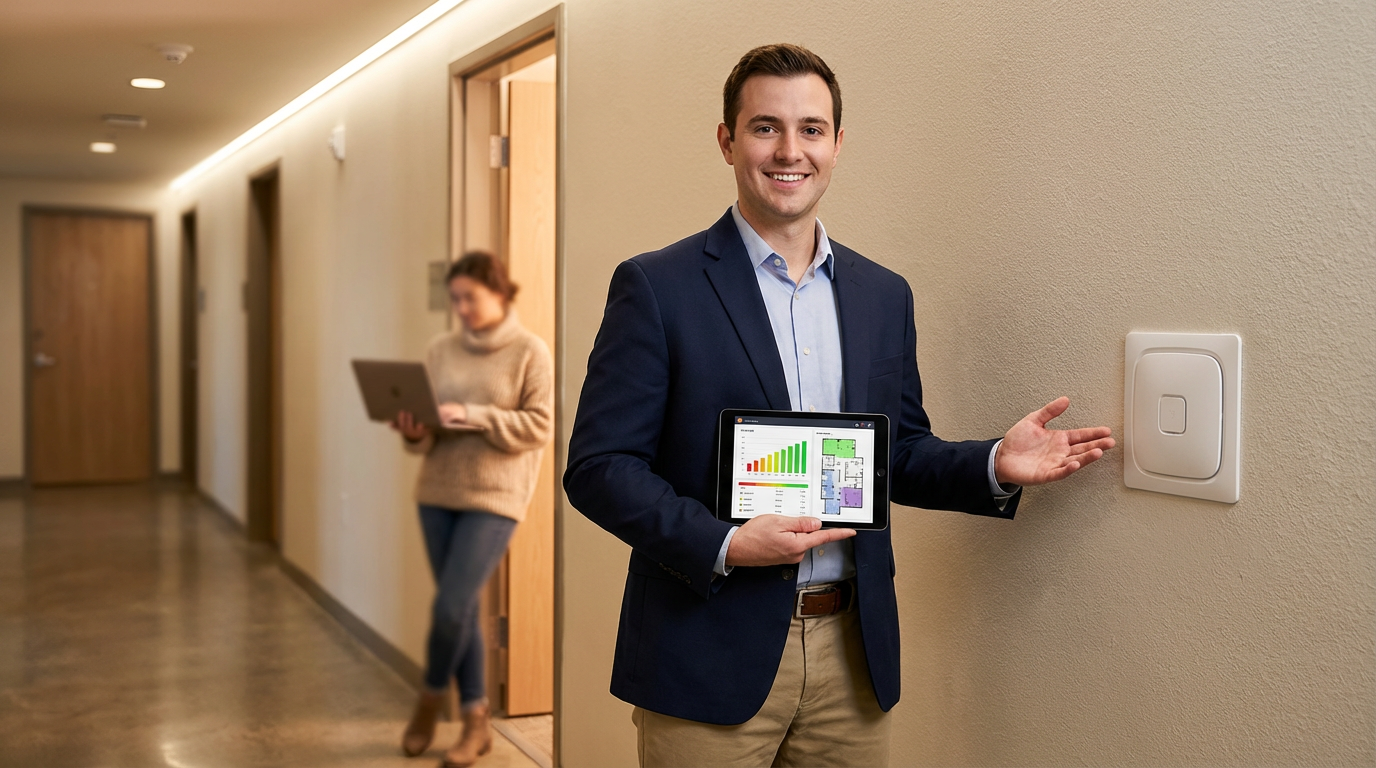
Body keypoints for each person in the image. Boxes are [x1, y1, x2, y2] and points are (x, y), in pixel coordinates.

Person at [563, 44, 1115, 767]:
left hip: (852, 660)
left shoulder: (883, 296)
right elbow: (599, 467)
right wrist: (726, 543)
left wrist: (994, 462)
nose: (790, 151)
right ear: (727, 140)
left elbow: (897, 456)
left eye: (811, 129)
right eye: (765, 128)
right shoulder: (657, 287)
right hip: (706, 653)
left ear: (837, 144)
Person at [392, 252, 553, 768]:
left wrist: (475, 414)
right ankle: (476, 720)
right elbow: (428, 431)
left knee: (448, 608)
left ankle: (430, 697)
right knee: (460, 610)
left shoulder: (530, 351)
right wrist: (417, 429)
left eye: (470, 297)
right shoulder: (441, 350)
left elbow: (539, 427)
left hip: (496, 497)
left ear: (501, 294)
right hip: (438, 491)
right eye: (454, 298)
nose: (460, 307)